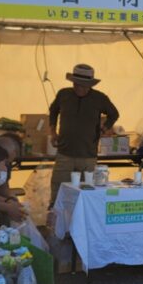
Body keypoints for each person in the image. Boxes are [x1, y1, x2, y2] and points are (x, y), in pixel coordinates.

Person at [48, 63, 119, 204]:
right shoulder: (63, 94)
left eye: (84, 85)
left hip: (88, 156)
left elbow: (114, 114)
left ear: (90, 85)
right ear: (72, 82)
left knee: (86, 193)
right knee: (58, 190)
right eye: (77, 84)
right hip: (64, 154)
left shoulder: (100, 98)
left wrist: (105, 128)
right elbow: (53, 110)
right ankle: (56, 221)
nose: (79, 88)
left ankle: (82, 222)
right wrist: (52, 131)